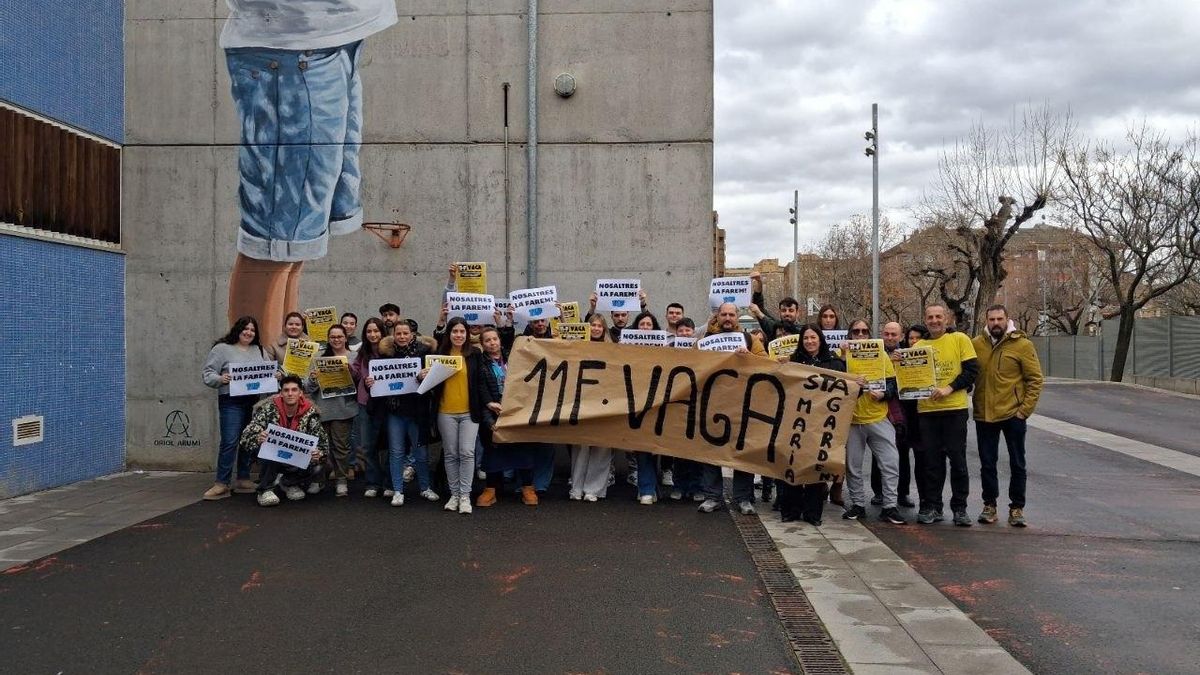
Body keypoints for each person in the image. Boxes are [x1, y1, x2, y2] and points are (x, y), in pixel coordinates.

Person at [222, 0, 398, 342]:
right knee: (274, 243)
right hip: (289, 48)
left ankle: (282, 363)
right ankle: (256, 369)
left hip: (335, 39)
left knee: (295, 244)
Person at [972, 304, 1043, 527]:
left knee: (1017, 463)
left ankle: (1017, 508)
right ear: (986, 321)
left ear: (1007, 319)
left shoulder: (1022, 345)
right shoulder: (976, 344)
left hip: (1013, 415)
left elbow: (1035, 379)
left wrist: (1024, 411)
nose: (995, 323)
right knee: (987, 463)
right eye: (991, 319)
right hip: (984, 414)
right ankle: (989, 505)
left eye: (999, 319)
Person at [914, 305, 979, 526]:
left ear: (946, 319)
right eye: (930, 317)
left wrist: (949, 388)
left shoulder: (960, 339)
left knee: (958, 461)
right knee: (932, 463)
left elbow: (971, 371)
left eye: (938, 316)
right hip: (927, 411)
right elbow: (909, 377)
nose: (934, 320)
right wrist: (899, 363)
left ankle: (960, 508)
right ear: (925, 320)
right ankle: (934, 506)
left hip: (954, 410)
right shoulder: (918, 346)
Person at [696, 302, 762, 516]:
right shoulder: (704, 341)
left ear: (737, 317)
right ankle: (712, 497)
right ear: (717, 316)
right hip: (713, 404)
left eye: (731, 315)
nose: (727, 318)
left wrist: (749, 357)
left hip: (743, 405)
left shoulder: (750, 340)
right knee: (711, 451)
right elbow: (692, 366)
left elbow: (767, 364)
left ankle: (743, 498)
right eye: (723, 314)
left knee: (742, 452)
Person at [777, 325, 844, 525]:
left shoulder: (834, 363)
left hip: (821, 424)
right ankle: (791, 511)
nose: (809, 342)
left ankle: (812, 514)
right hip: (795, 422)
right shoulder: (792, 362)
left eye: (813, 337)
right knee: (792, 464)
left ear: (820, 339)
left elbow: (845, 391)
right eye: (806, 338)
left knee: (816, 468)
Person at [840, 320, 905, 525]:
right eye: (856, 331)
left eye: (864, 331)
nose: (860, 334)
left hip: (878, 418)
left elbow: (893, 386)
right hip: (852, 421)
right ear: (850, 334)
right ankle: (858, 505)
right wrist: (842, 357)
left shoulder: (882, 355)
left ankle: (890, 506)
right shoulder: (841, 355)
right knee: (853, 466)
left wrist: (884, 394)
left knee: (890, 463)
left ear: (870, 334)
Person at [201, 316, 271, 500]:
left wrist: (277, 374)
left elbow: (267, 371)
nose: (249, 332)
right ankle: (221, 483)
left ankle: (243, 478)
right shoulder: (222, 349)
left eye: (252, 330)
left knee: (248, 440)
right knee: (230, 441)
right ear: (237, 330)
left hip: (253, 401)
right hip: (231, 401)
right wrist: (220, 379)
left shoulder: (259, 350)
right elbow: (208, 373)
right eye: (245, 329)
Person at [423, 317, 483, 515]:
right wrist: (422, 376)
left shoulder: (475, 354)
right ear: (449, 334)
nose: (458, 335)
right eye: (455, 331)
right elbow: (429, 384)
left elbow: (480, 382)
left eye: (462, 331)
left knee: (467, 452)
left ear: (467, 334)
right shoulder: (438, 355)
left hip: (469, 413)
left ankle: (465, 495)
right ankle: (454, 494)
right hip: (445, 412)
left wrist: (488, 403)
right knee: (451, 454)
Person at [240, 375, 329, 506]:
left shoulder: (310, 413)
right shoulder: (268, 409)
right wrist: (258, 437)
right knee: (269, 447)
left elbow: (323, 444)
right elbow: (246, 436)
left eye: (294, 390)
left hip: (295, 458)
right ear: (281, 393)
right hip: (272, 455)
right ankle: (265, 490)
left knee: (318, 466)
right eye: (286, 390)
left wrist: (318, 453)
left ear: (300, 393)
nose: (290, 393)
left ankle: (289, 483)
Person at [475, 326, 539, 506]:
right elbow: (481, 391)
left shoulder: (513, 357)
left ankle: (528, 488)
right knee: (493, 453)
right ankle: (491, 490)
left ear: (500, 340)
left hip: (517, 412)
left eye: (494, 339)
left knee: (523, 449)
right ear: (482, 344)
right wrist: (488, 419)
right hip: (494, 413)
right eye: (487, 340)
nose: (492, 343)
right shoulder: (480, 364)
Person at [379, 321, 439, 506]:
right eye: (398, 333)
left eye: (405, 333)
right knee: (396, 452)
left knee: (421, 452)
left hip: (417, 410)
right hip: (395, 410)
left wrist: (423, 376)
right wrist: (371, 382)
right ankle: (398, 490)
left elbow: (434, 381)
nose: (402, 337)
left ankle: (425, 487)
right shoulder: (386, 355)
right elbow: (380, 380)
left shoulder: (424, 353)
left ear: (412, 335)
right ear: (393, 335)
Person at [305, 324, 358, 497]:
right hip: (322, 409)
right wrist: (313, 379)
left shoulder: (354, 356)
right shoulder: (318, 357)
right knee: (319, 448)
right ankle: (318, 480)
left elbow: (360, 382)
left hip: (344, 409)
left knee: (341, 448)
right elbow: (307, 387)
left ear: (345, 338)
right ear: (328, 339)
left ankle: (341, 480)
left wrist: (352, 373)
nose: (336, 340)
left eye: (339, 336)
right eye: (333, 337)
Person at [569, 315, 616, 502]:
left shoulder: (614, 350)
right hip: (582, 401)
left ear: (604, 329)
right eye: (593, 325)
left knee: (602, 446)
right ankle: (576, 488)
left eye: (599, 326)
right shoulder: (576, 347)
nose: (596, 328)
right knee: (580, 445)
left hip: (605, 402)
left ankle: (593, 490)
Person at [870, 321, 917, 509]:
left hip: (902, 410)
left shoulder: (907, 353)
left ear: (901, 336)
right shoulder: (874, 352)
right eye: (886, 334)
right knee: (878, 452)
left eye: (894, 334)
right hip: (880, 407)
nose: (889, 337)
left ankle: (902, 493)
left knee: (902, 452)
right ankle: (878, 492)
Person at [350, 317, 389, 498]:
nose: (373, 334)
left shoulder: (391, 351)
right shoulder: (362, 352)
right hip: (365, 403)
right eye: (369, 331)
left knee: (389, 446)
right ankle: (373, 482)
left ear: (382, 332)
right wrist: (347, 369)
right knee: (367, 445)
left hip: (387, 405)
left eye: (376, 331)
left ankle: (389, 482)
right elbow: (356, 372)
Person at [667, 317, 704, 502]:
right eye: (681, 331)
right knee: (679, 450)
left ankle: (696, 487)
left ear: (693, 332)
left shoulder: (703, 351)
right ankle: (679, 486)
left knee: (696, 450)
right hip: (677, 406)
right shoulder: (669, 350)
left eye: (687, 330)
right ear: (676, 333)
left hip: (697, 406)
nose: (684, 333)